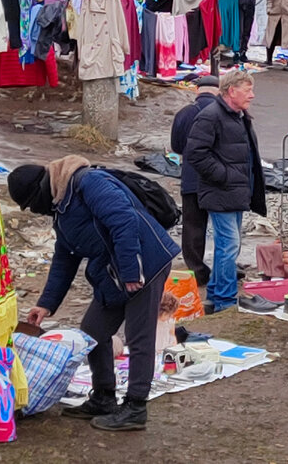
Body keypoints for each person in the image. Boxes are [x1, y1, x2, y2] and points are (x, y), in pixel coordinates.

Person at [11, 155, 179, 430]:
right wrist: (46, 304)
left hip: (144, 263)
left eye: (31, 205)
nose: (34, 211)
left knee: (139, 336)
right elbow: (65, 257)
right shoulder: (60, 207)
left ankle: (135, 407)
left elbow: (124, 222)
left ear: (40, 189)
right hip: (113, 273)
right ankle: (104, 397)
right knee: (92, 333)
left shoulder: (89, 183)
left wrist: (129, 273)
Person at [182, 70, 266, 313]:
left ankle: (215, 295)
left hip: (235, 192)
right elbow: (196, 154)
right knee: (229, 245)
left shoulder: (238, 115)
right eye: (247, 90)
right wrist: (226, 177)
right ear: (232, 91)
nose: (252, 95)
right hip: (221, 191)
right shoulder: (211, 116)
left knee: (227, 245)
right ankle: (226, 301)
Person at [170, 75, 219, 290]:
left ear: (197, 91)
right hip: (218, 180)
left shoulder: (185, 113)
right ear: (218, 91)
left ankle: (196, 271)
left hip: (191, 178)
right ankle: (222, 270)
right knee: (223, 228)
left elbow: (176, 146)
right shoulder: (224, 113)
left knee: (192, 227)